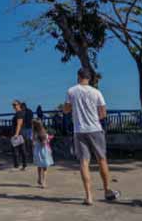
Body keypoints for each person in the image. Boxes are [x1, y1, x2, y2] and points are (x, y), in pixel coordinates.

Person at [63, 68, 120, 205]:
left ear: (78, 77)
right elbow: (103, 113)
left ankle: (88, 196)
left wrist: (74, 109)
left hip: (79, 130)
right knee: (101, 159)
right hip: (95, 129)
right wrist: (94, 118)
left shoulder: (71, 91)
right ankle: (107, 190)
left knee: (84, 162)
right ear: (89, 78)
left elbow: (66, 110)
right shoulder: (96, 92)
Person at [32, 118, 54, 189]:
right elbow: (44, 143)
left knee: (39, 165)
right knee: (45, 167)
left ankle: (39, 178)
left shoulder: (34, 132)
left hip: (37, 150)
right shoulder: (42, 132)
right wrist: (48, 138)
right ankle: (43, 182)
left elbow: (33, 141)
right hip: (43, 151)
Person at [10, 100, 27, 170]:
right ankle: (24, 165)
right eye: (13, 105)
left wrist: (16, 134)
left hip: (18, 134)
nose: (14, 106)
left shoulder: (19, 113)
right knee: (22, 150)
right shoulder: (19, 113)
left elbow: (19, 124)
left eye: (15, 105)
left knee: (16, 150)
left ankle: (17, 166)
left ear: (19, 105)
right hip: (21, 134)